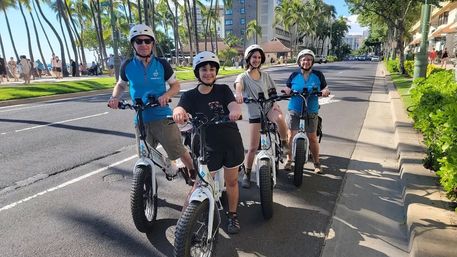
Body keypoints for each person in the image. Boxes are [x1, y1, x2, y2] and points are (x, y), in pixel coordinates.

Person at [107, 23, 195, 183]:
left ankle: (194, 174)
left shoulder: (162, 64)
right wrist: (115, 98)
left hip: (163, 117)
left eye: (147, 41)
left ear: (152, 43)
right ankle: (146, 192)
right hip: (140, 120)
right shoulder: (127, 66)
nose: (143, 45)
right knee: (145, 158)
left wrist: (166, 95)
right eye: (138, 41)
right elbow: (121, 84)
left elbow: (176, 85)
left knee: (179, 151)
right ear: (133, 44)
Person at [173, 51, 244, 234]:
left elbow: (233, 105)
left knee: (232, 182)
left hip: (230, 143)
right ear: (198, 73)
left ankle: (233, 215)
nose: (208, 73)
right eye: (204, 69)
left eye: (212, 69)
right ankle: (183, 226)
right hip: (207, 147)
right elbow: (181, 106)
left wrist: (235, 111)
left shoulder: (223, 90)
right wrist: (179, 112)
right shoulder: (190, 95)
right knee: (200, 183)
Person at [234, 44, 289, 188]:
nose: (256, 60)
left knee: (280, 119)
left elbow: (271, 91)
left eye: (259, 57)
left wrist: (275, 103)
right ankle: (247, 174)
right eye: (254, 57)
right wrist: (238, 94)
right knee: (252, 148)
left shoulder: (265, 76)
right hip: (255, 114)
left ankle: (284, 143)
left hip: (268, 109)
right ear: (248, 59)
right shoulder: (243, 77)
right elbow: (238, 85)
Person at [283, 49, 330, 174]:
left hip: (311, 109)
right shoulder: (294, 75)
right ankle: (289, 160)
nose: (306, 62)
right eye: (303, 59)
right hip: (295, 109)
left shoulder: (318, 75)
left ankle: (316, 163)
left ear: (312, 61)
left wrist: (325, 91)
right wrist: (286, 90)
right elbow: (287, 87)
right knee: (290, 136)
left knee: (312, 138)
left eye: (309, 59)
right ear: (299, 61)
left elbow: (325, 87)